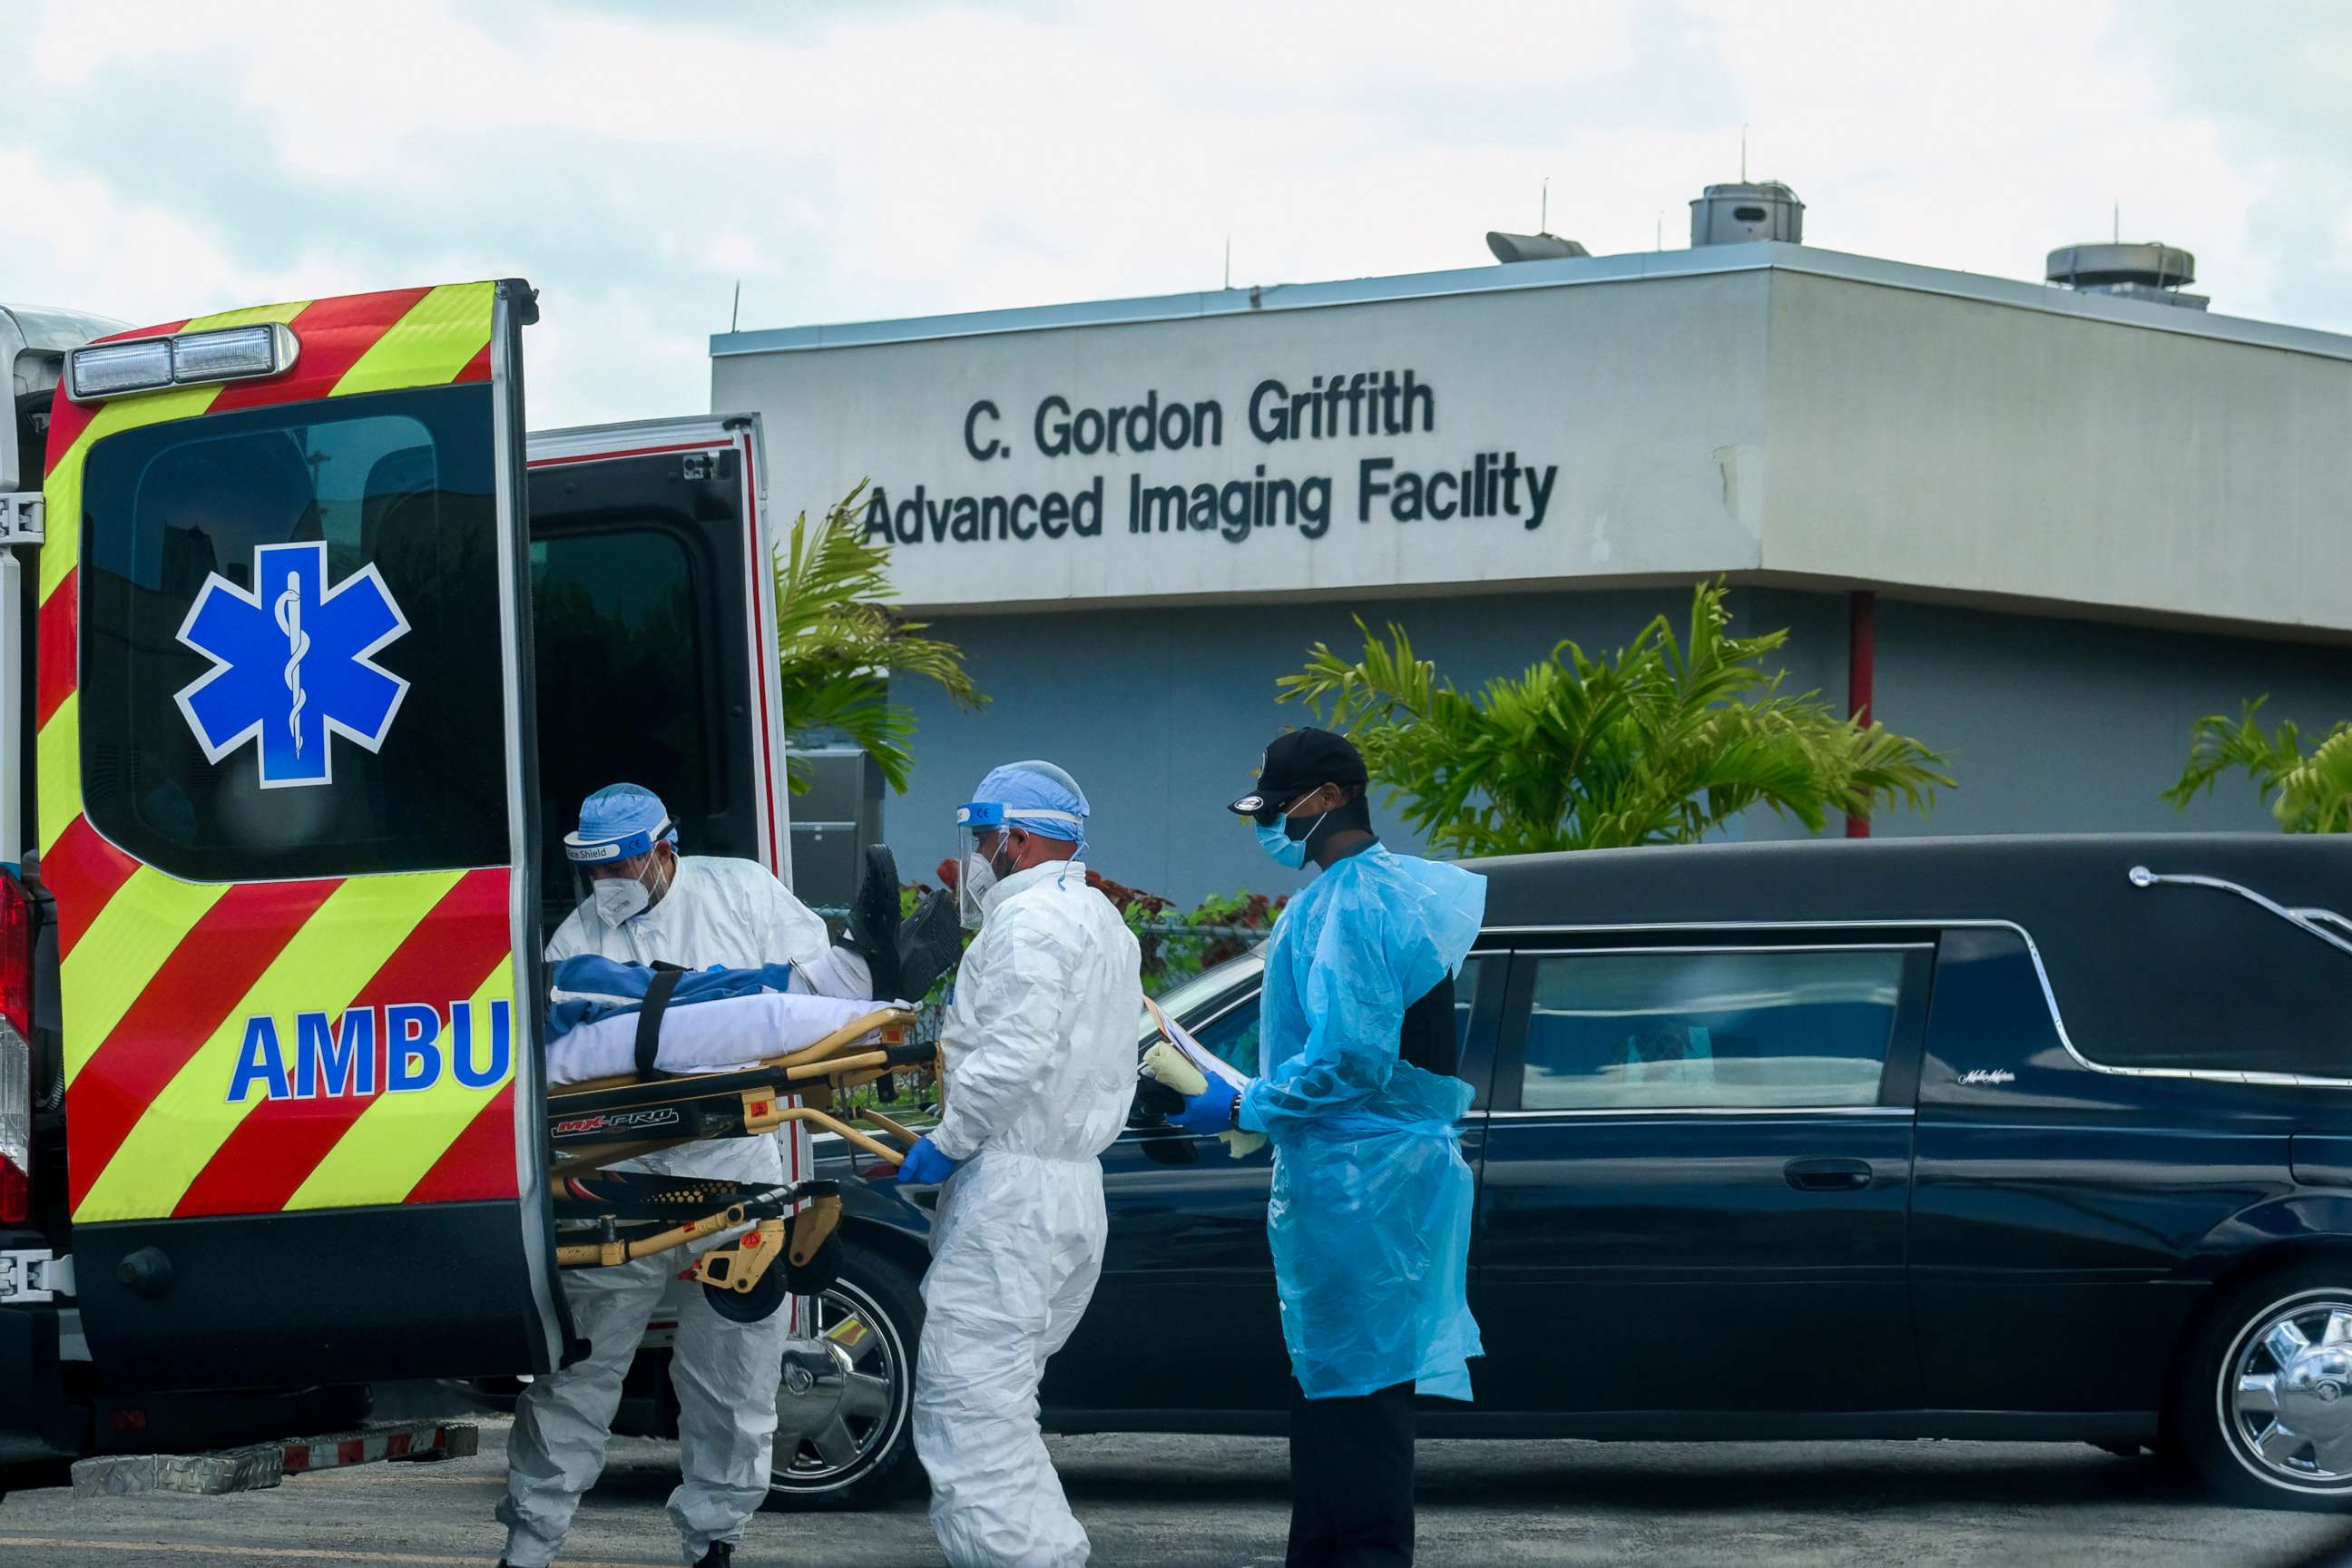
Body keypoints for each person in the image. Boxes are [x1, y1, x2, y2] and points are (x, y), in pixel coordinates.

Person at [498, 782, 955, 1568]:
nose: (606, 882)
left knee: (737, 1380)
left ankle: (715, 1542)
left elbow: (796, 1031)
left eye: (621, 864)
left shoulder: (740, 891)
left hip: (734, 1167)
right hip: (621, 1172)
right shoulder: (573, 946)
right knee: (579, 1376)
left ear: (662, 850)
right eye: (594, 867)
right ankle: (529, 1544)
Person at [1171, 728, 1485, 1568]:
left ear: (1334, 795)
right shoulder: (1360, 896)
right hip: (1354, 1186)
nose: (1270, 827)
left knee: (1359, 1419)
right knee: (1333, 1413)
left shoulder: (1358, 902)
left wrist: (1249, 1101)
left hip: (1366, 1189)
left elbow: (1352, 1058)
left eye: (1280, 809)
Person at [897, 760, 1142, 1568]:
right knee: (1003, 1409)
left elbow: (1011, 1057)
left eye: (980, 840)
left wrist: (948, 1141)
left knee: (966, 1413)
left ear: (1019, 839)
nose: (973, 858)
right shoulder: (1104, 921)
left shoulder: (1028, 923)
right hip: (1070, 1195)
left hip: (1014, 1194)